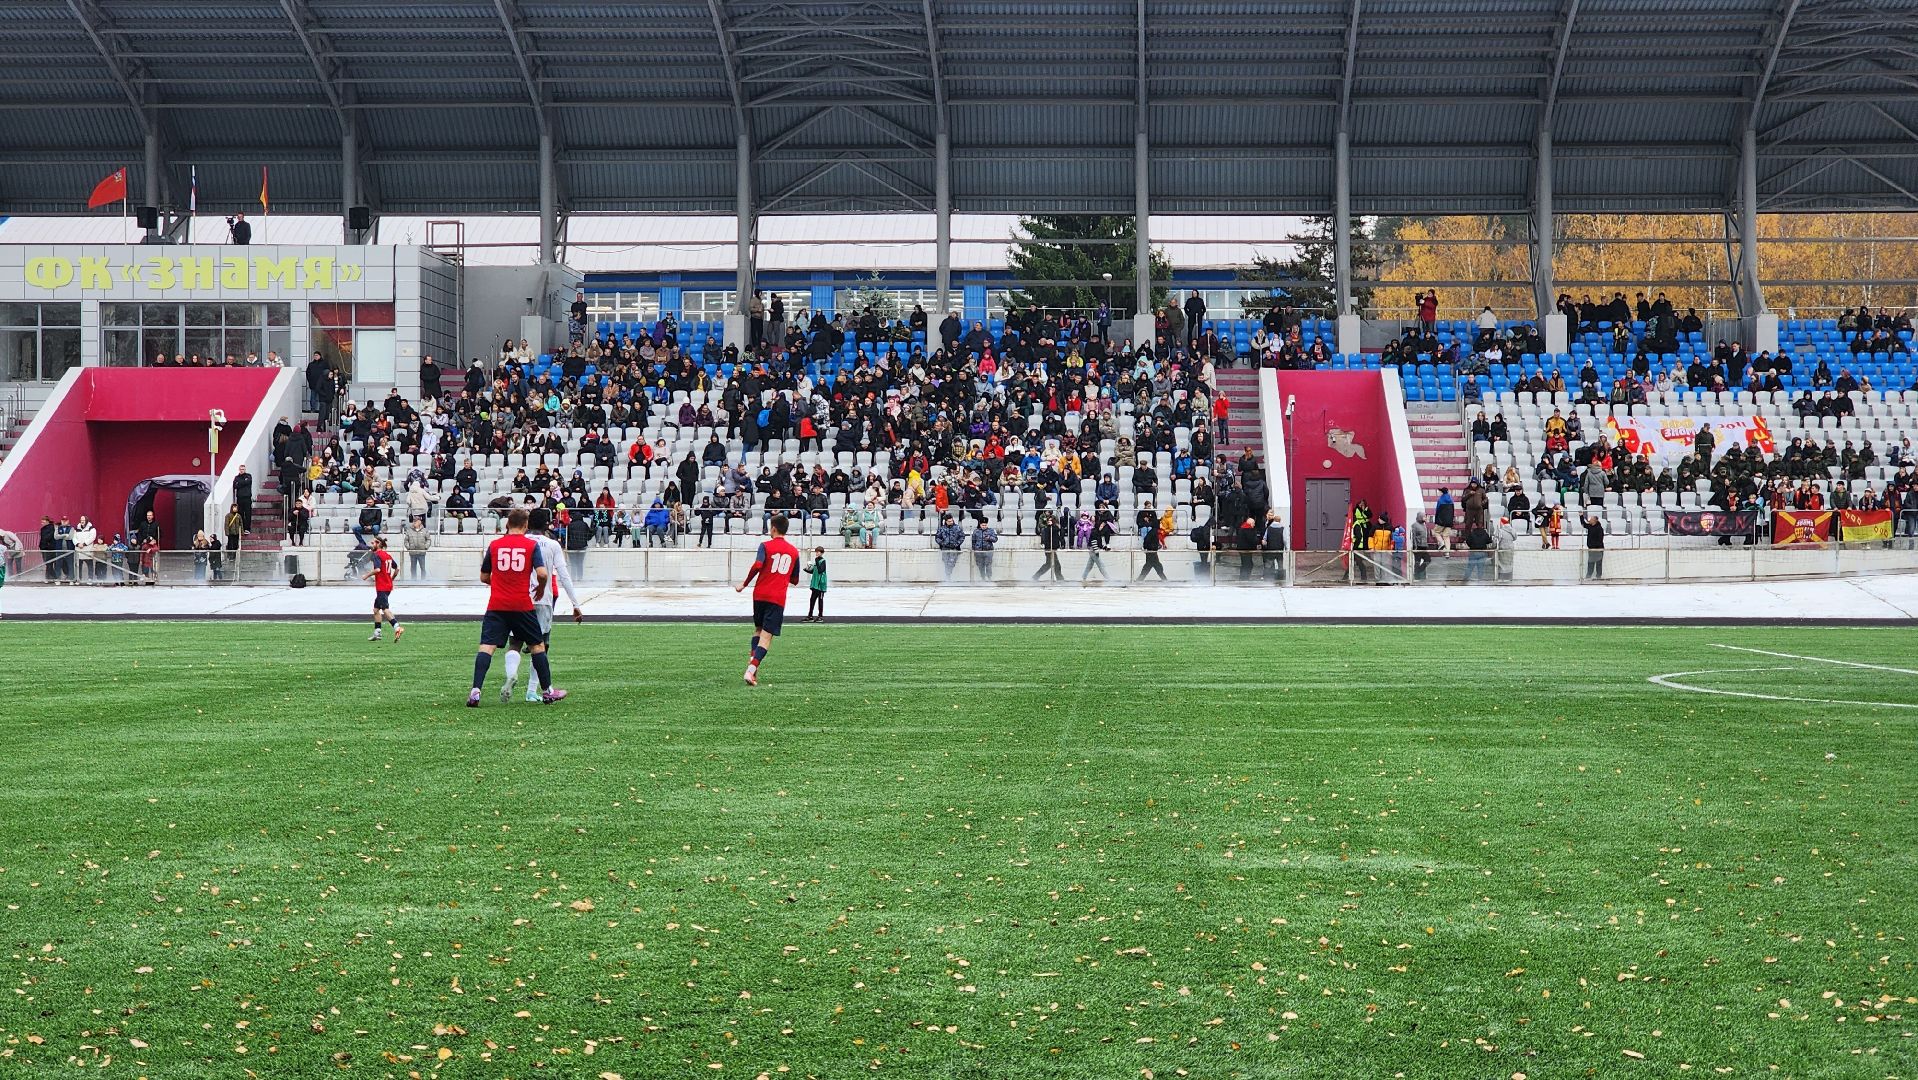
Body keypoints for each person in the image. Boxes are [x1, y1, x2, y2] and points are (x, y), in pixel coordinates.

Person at [467, 509, 565, 707]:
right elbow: (543, 574)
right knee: (537, 646)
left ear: (506, 525)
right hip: (521, 604)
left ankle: (475, 691)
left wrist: (501, 583)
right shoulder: (531, 545)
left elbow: (484, 577)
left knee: (487, 647)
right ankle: (547, 692)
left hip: (497, 604)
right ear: (526, 525)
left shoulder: (495, 545)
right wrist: (540, 588)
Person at [502, 508, 583, 704]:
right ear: (547, 524)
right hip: (543, 600)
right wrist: (575, 604)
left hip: (520, 599)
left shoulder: (519, 542)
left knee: (514, 642)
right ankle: (532, 691)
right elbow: (563, 575)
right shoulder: (551, 544)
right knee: (541, 647)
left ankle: (511, 674)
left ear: (528, 523)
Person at [735, 514, 801, 687]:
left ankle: (753, 668)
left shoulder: (764, 545)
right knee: (766, 637)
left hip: (759, 595)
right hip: (776, 598)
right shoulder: (794, 552)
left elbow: (758, 565)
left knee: (758, 630)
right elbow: (795, 580)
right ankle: (751, 670)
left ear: (773, 528)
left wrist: (744, 584)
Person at [361, 537, 404, 642]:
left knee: (384, 609)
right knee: (376, 609)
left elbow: (378, 569)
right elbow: (397, 568)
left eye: (373, 542)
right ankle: (377, 632)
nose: (371, 544)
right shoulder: (387, 555)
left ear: (378, 543)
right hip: (387, 585)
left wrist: (366, 576)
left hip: (382, 586)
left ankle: (397, 627)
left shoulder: (377, 555)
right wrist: (391, 579)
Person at [1032, 508, 1066, 582]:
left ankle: (1035, 576)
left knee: (1049, 564)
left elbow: (1059, 529)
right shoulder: (1047, 529)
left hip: (1053, 547)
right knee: (1055, 564)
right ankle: (1060, 579)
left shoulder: (1054, 527)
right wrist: (1043, 544)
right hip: (1049, 548)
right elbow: (1045, 535)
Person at [935, 512, 965, 580]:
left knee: (951, 563)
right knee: (946, 563)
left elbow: (962, 536)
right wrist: (942, 543)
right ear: (946, 521)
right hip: (945, 549)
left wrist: (957, 544)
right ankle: (948, 576)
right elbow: (937, 537)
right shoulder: (942, 528)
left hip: (954, 549)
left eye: (952, 520)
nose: (951, 522)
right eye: (949, 521)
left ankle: (948, 575)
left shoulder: (957, 527)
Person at [1137, 514, 1167, 580]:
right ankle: (1164, 579)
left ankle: (1139, 579)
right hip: (1151, 551)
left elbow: (1147, 540)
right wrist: (1151, 547)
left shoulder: (1153, 531)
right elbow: (1146, 540)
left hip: (1151, 551)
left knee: (1149, 566)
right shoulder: (1154, 531)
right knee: (1155, 566)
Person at [804, 547, 828, 622]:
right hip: (815, 584)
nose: (817, 553)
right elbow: (814, 572)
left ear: (822, 553)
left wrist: (817, 561)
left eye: (819, 552)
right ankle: (810, 615)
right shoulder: (816, 562)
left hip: (820, 584)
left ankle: (820, 616)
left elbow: (821, 570)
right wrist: (807, 570)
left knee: (820, 600)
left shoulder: (823, 561)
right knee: (812, 599)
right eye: (816, 552)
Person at [1582, 513, 1605, 580]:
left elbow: (1600, 539)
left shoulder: (1599, 528)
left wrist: (1594, 546)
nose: (1589, 520)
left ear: (1595, 520)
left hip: (1598, 549)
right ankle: (1588, 576)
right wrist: (1581, 516)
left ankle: (1598, 576)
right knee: (1590, 563)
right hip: (1591, 549)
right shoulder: (1590, 526)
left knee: (1598, 563)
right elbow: (1584, 524)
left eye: (1591, 519)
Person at [234, 466, 254, 533]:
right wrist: (242, 482)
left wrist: (239, 483)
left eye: (243, 469)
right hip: (240, 498)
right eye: (241, 469)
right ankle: (242, 528)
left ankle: (247, 528)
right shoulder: (237, 477)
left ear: (245, 470)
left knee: (248, 514)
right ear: (239, 470)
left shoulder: (248, 476)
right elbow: (235, 486)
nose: (242, 470)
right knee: (240, 513)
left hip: (247, 498)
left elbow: (248, 482)